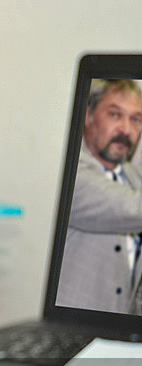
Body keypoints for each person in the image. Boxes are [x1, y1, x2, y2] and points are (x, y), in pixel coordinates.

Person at [57, 78, 142, 315]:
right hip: (70, 333)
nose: (126, 129)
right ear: (88, 116)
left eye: (135, 119)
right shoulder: (71, 174)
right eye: (115, 115)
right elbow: (130, 209)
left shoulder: (134, 181)